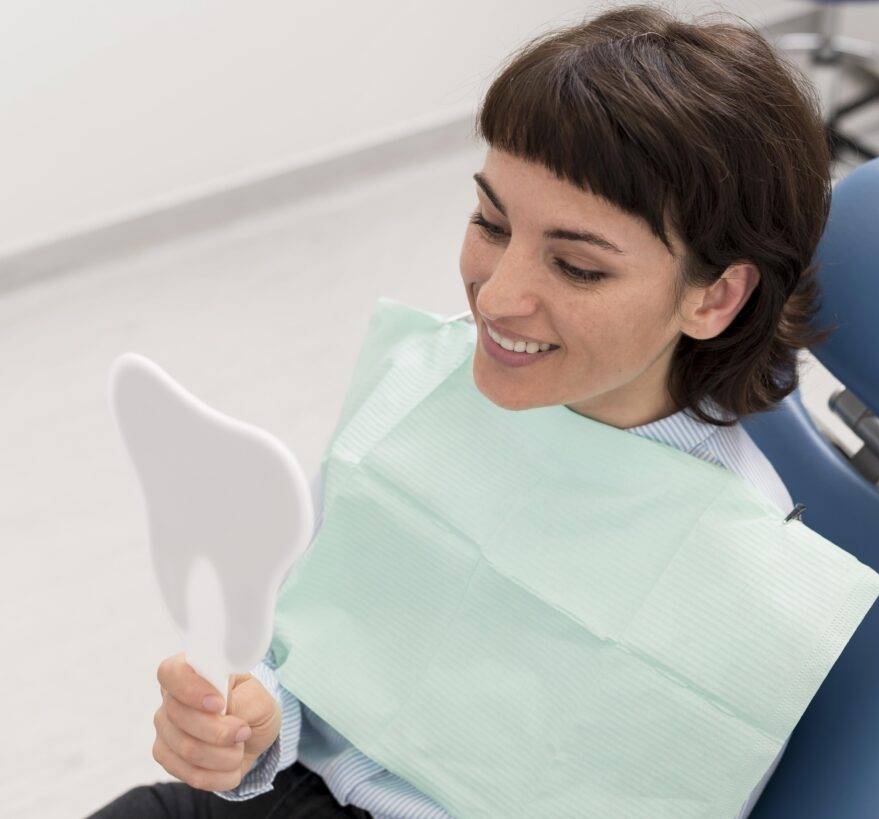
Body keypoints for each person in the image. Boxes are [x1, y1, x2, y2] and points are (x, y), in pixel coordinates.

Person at [88, 3, 834, 816]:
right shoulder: (431, 384)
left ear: (716, 294)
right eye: (490, 221)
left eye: (577, 266)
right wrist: (256, 716)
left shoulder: (731, 579)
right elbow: (315, 631)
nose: (499, 296)